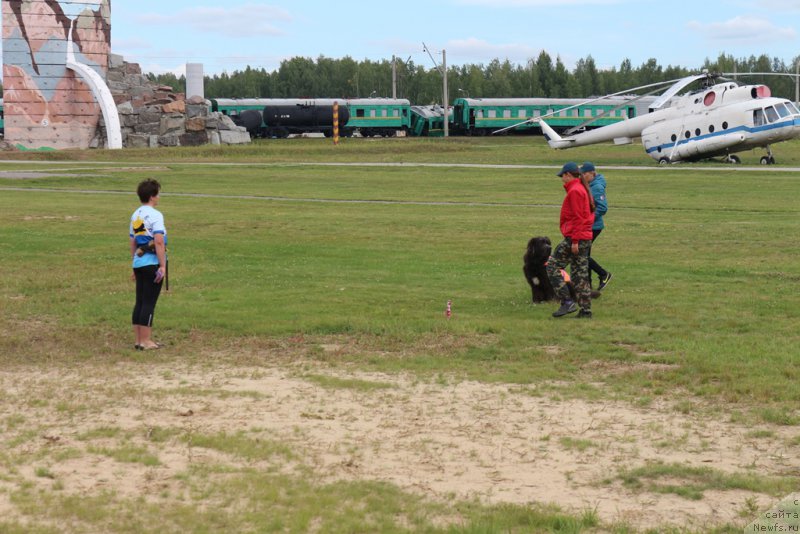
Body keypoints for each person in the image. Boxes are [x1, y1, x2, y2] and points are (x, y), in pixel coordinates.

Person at [546, 162, 594, 318]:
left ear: (568, 175)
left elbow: (578, 218)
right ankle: (585, 311)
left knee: (552, 265)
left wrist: (574, 241)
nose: (562, 179)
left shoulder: (574, 191)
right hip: (585, 236)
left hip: (576, 237)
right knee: (579, 275)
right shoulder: (583, 189)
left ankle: (567, 301)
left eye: (562, 176)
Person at [130, 179, 167, 350]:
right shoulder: (155, 215)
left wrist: (134, 264)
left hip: (139, 263)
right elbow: (158, 241)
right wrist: (162, 265)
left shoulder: (136, 215)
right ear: (152, 196)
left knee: (140, 301)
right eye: (158, 194)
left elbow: (134, 242)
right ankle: (146, 341)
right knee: (149, 302)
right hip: (152, 263)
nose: (159, 197)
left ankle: (138, 340)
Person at [581, 162, 612, 290]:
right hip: (589, 225)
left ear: (592, 173)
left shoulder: (597, 187)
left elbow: (603, 208)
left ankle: (604, 274)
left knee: (582, 255)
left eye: (585, 173)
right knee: (584, 255)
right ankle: (587, 285)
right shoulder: (589, 185)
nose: (582, 176)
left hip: (594, 227)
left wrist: (588, 219)